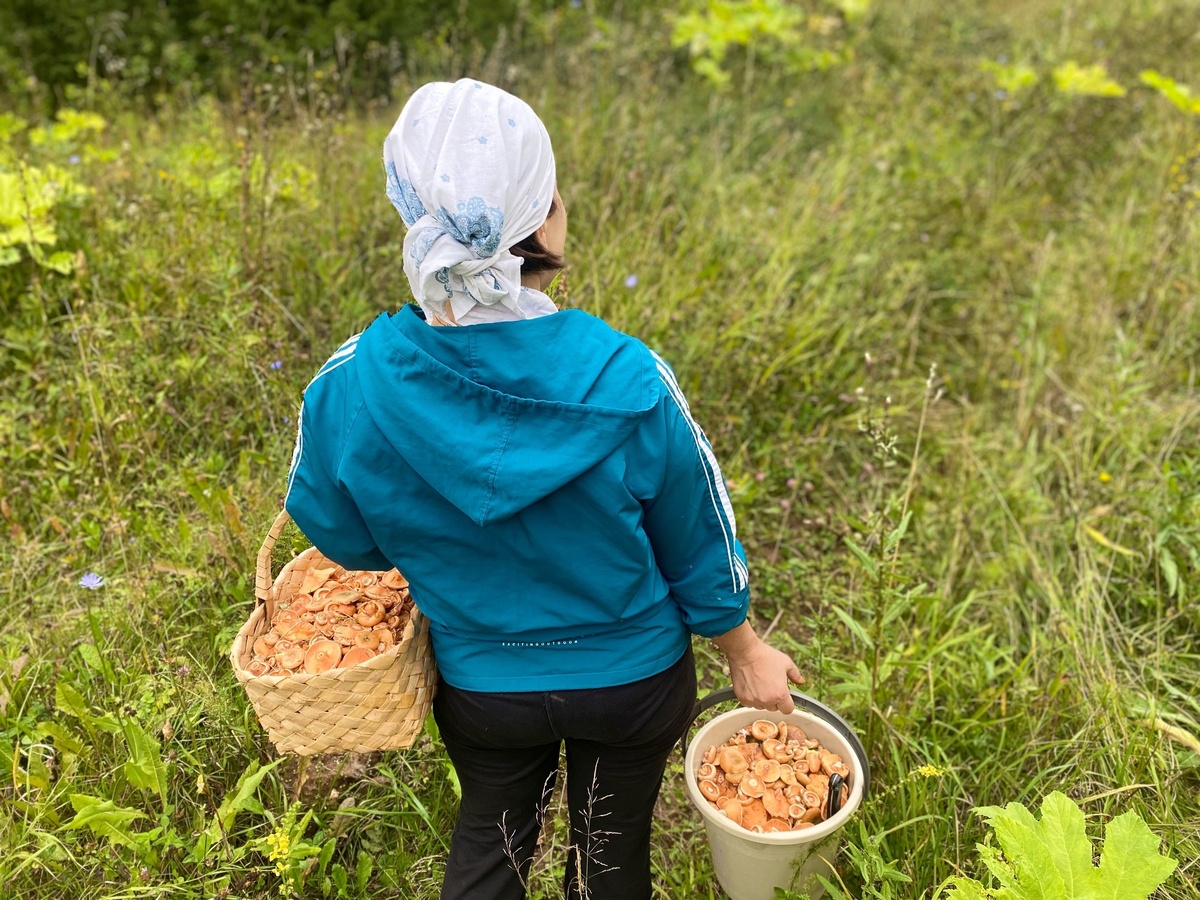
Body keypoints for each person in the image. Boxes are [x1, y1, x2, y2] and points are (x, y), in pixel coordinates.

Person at [284, 78, 804, 900]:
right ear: (543, 217)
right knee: (608, 856)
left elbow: (342, 536)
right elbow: (697, 529)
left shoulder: (350, 386)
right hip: (632, 685)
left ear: (409, 212)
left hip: (484, 687)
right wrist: (743, 649)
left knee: (489, 848)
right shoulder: (626, 375)